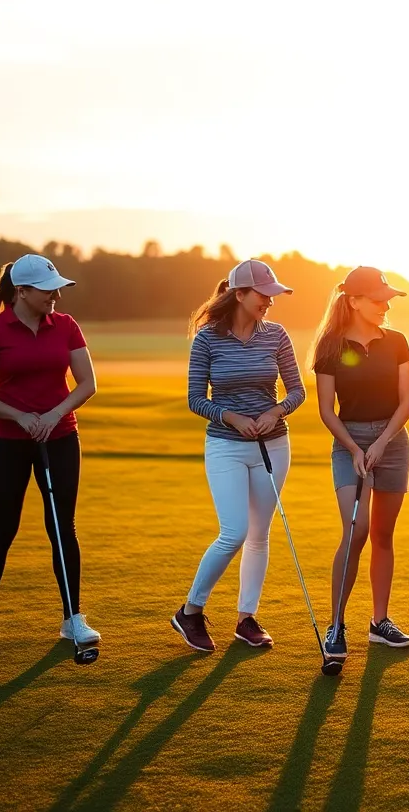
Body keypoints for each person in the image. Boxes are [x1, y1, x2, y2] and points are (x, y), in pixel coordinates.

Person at [0, 254, 99, 651]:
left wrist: (53, 414)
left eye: (57, 287)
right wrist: (22, 417)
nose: (56, 295)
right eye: (47, 289)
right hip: (6, 442)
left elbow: (87, 383)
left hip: (60, 438)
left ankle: (73, 618)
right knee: (1, 529)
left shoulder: (67, 326)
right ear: (21, 291)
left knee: (62, 528)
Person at [171, 259, 306, 652]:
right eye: (264, 295)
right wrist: (229, 415)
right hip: (226, 446)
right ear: (240, 294)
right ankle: (190, 611)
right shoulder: (207, 339)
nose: (270, 302)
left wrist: (274, 411)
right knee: (234, 531)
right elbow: (196, 399)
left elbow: (297, 391)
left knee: (260, 535)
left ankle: (246, 618)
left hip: (273, 445)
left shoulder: (276, 336)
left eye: (272, 295)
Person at [311, 267, 409, 662]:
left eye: (388, 298)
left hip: (393, 441)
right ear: (354, 301)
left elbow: (407, 401)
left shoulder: (397, 342)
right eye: (378, 299)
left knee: (383, 536)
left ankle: (379, 622)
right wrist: (355, 449)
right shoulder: (331, 346)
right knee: (357, 529)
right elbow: (326, 410)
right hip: (348, 443)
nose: (386, 305)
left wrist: (383, 441)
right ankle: (336, 624)